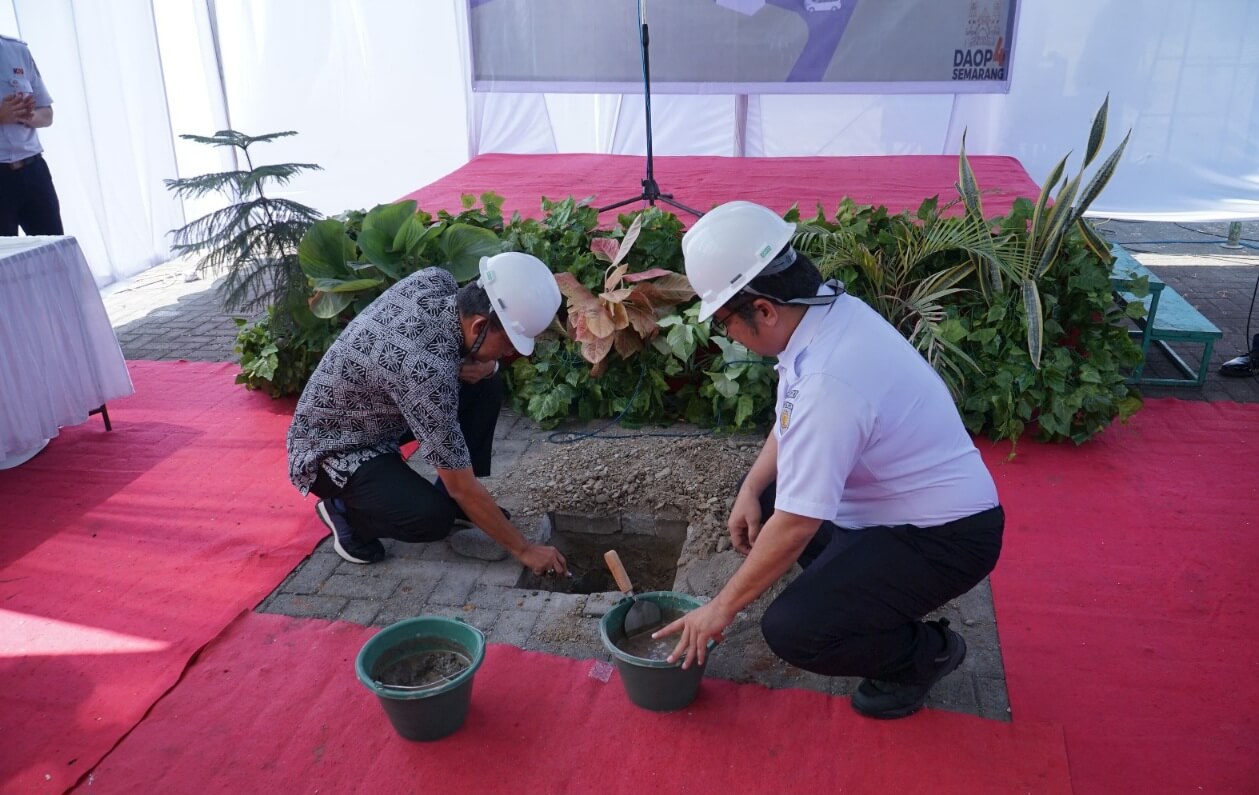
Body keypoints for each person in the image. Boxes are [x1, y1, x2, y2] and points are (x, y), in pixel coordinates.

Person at [655, 201, 1004, 719]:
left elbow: (796, 523)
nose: (726, 333)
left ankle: (925, 653)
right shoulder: (826, 313)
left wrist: (718, 610)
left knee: (794, 630)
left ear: (764, 309)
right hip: (898, 509)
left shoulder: (830, 379)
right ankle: (857, 595)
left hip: (947, 537)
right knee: (773, 493)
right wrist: (750, 489)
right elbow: (791, 418)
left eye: (725, 319)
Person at [286, 252, 568, 577]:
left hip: (375, 409)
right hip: (332, 450)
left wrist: (486, 365)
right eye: (507, 347)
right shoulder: (427, 372)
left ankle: (455, 504)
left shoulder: (436, 281)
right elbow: (463, 484)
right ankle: (344, 511)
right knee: (431, 519)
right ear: (479, 325)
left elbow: (430, 356)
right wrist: (525, 549)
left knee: (485, 382)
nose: (509, 354)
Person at [0, 34, 62, 236]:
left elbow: (47, 115)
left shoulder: (17, 51)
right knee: (5, 262)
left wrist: (29, 115)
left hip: (34, 172)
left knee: (54, 254)